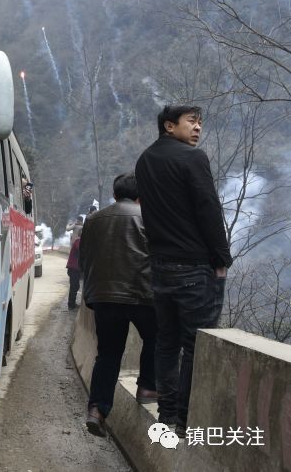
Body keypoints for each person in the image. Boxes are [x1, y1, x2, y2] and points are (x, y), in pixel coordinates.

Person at [135, 105, 233, 437]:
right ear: (168, 125)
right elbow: (208, 207)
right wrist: (221, 256)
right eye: (191, 122)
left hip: (161, 268)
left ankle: (167, 412)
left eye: (200, 123)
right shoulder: (193, 159)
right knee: (194, 345)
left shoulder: (145, 161)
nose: (197, 129)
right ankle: (185, 419)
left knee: (167, 343)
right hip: (193, 268)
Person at [79, 172, 157, 438]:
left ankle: (97, 411)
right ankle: (147, 388)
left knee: (108, 354)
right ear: (141, 195)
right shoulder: (149, 217)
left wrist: (90, 294)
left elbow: (85, 258)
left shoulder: (92, 220)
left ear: (114, 194)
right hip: (141, 296)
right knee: (156, 338)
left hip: (104, 297)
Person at [66, 233, 81, 309]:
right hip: (73, 268)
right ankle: (71, 305)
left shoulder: (78, 241)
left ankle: (72, 303)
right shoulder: (78, 241)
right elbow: (80, 249)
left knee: (75, 286)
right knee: (74, 286)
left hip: (75, 269)